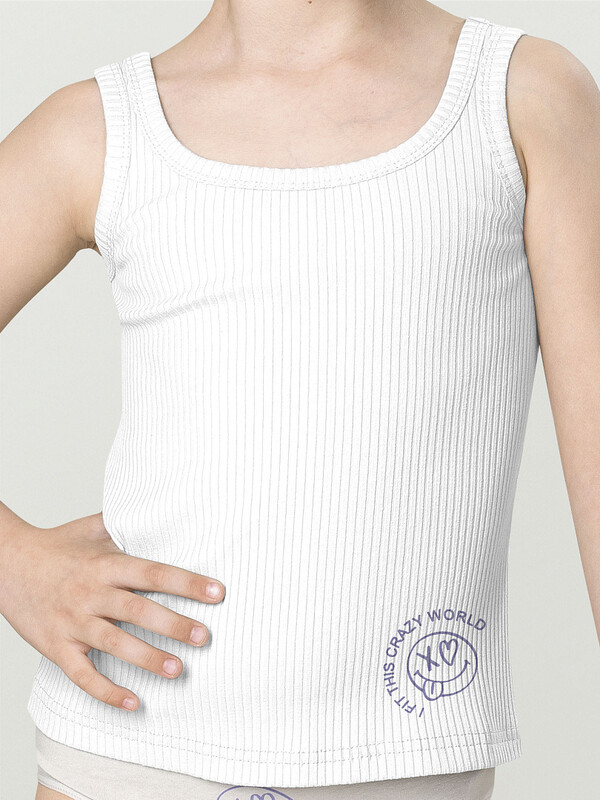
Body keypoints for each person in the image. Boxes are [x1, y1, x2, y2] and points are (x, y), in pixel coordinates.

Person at [1, 0, 599, 798]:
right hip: (123, 755)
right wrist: (14, 566)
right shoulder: (99, 130)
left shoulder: (520, 97)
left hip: (408, 753)